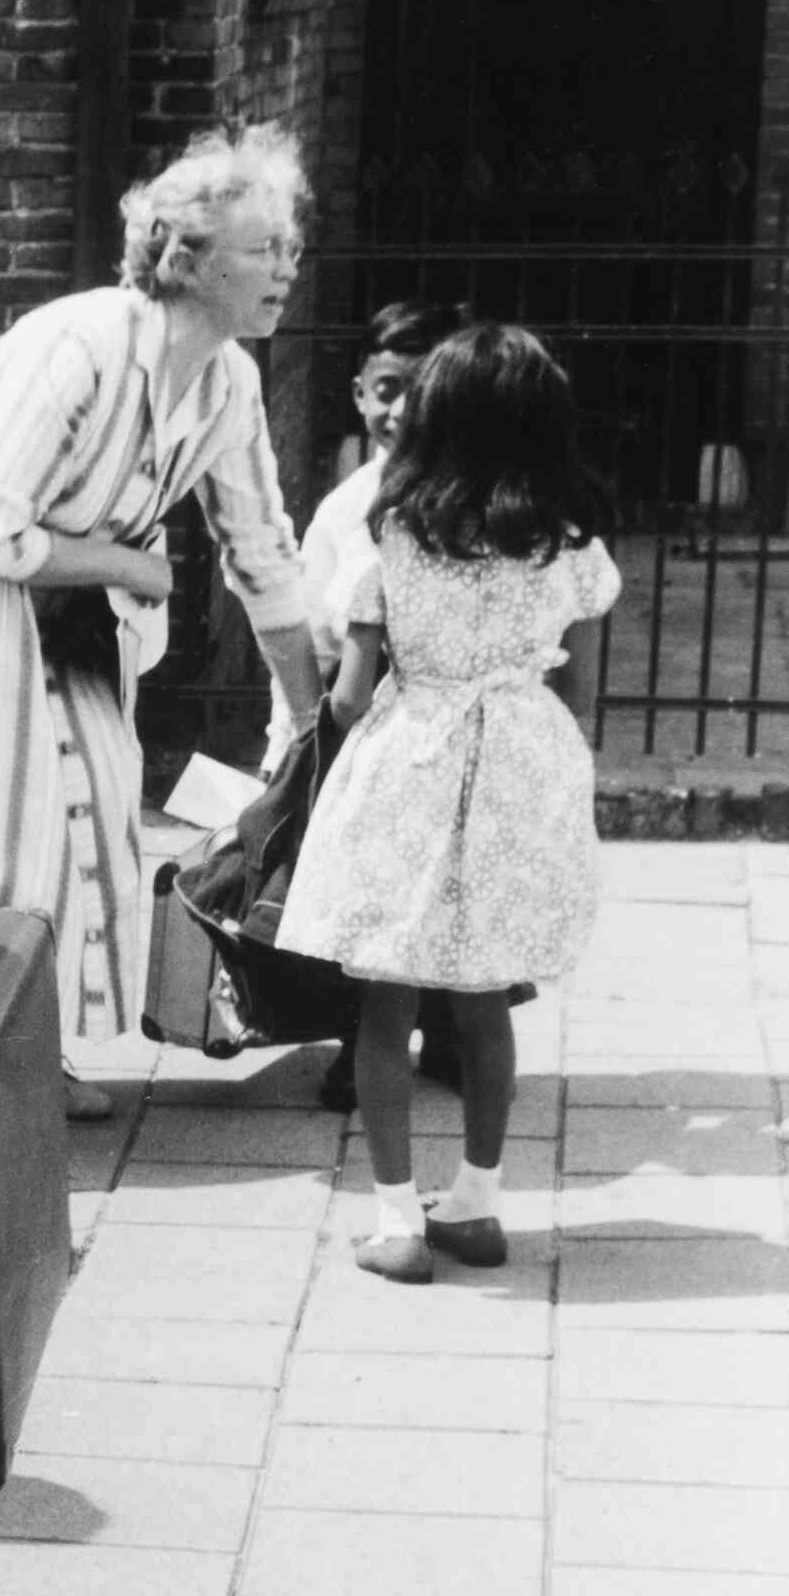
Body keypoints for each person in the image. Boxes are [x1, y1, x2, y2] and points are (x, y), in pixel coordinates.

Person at [0, 122, 327, 1118]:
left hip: (58, 604)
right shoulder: (82, 341)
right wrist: (128, 562)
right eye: (258, 250)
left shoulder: (228, 382)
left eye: (287, 249)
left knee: (92, 802)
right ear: (183, 255)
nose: (281, 270)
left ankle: (25, 1050)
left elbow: (262, 556)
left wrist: (312, 719)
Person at [280, 323, 619, 1283]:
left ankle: (394, 1222)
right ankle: (476, 1202)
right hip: (522, 755)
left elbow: (348, 697)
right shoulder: (566, 544)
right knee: (483, 996)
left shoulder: (392, 537)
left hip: (409, 762)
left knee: (383, 998)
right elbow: (578, 689)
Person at [276, 297, 472, 1113]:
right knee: (372, 900)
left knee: (457, 888)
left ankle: (457, 1032)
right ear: (359, 394)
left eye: (420, 390)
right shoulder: (343, 510)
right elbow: (315, 636)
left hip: (453, 730)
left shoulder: (474, 502)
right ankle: (363, 1043)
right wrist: (291, 733)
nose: (400, 410)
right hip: (366, 737)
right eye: (385, 389)